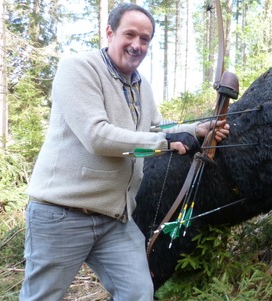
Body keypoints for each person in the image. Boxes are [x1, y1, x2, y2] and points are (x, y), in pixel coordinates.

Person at [19, 3, 230, 300]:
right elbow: (98, 137)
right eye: (130, 35)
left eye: (145, 39)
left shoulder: (141, 85)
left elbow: (154, 130)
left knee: (138, 293)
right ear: (109, 32)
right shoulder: (79, 68)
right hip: (62, 214)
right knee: (42, 296)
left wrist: (196, 130)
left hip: (115, 218)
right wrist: (165, 143)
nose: (137, 45)